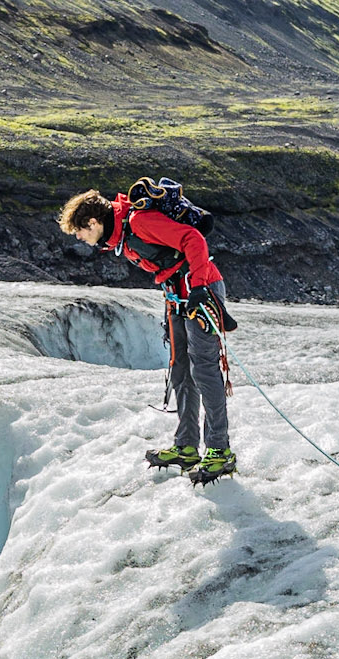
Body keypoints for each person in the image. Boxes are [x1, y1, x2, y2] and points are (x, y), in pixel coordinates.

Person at [57, 179, 238, 479]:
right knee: (181, 370)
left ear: (93, 222)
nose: (79, 238)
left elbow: (193, 240)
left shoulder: (138, 222)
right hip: (179, 296)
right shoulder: (122, 233)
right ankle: (186, 446)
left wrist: (198, 287)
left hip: (200, 290)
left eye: (79, 231)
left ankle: (220, 450)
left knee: (205, 369)